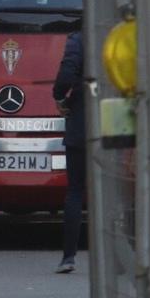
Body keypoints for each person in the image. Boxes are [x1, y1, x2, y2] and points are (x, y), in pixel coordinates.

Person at [52, 30, 86, 275]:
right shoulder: (121, 35)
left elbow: (66, 74)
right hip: (116, 121)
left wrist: (59, 97)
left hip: (82, 121)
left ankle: (69, 257)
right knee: (115, 191)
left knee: (75, 190)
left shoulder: (80, 39)